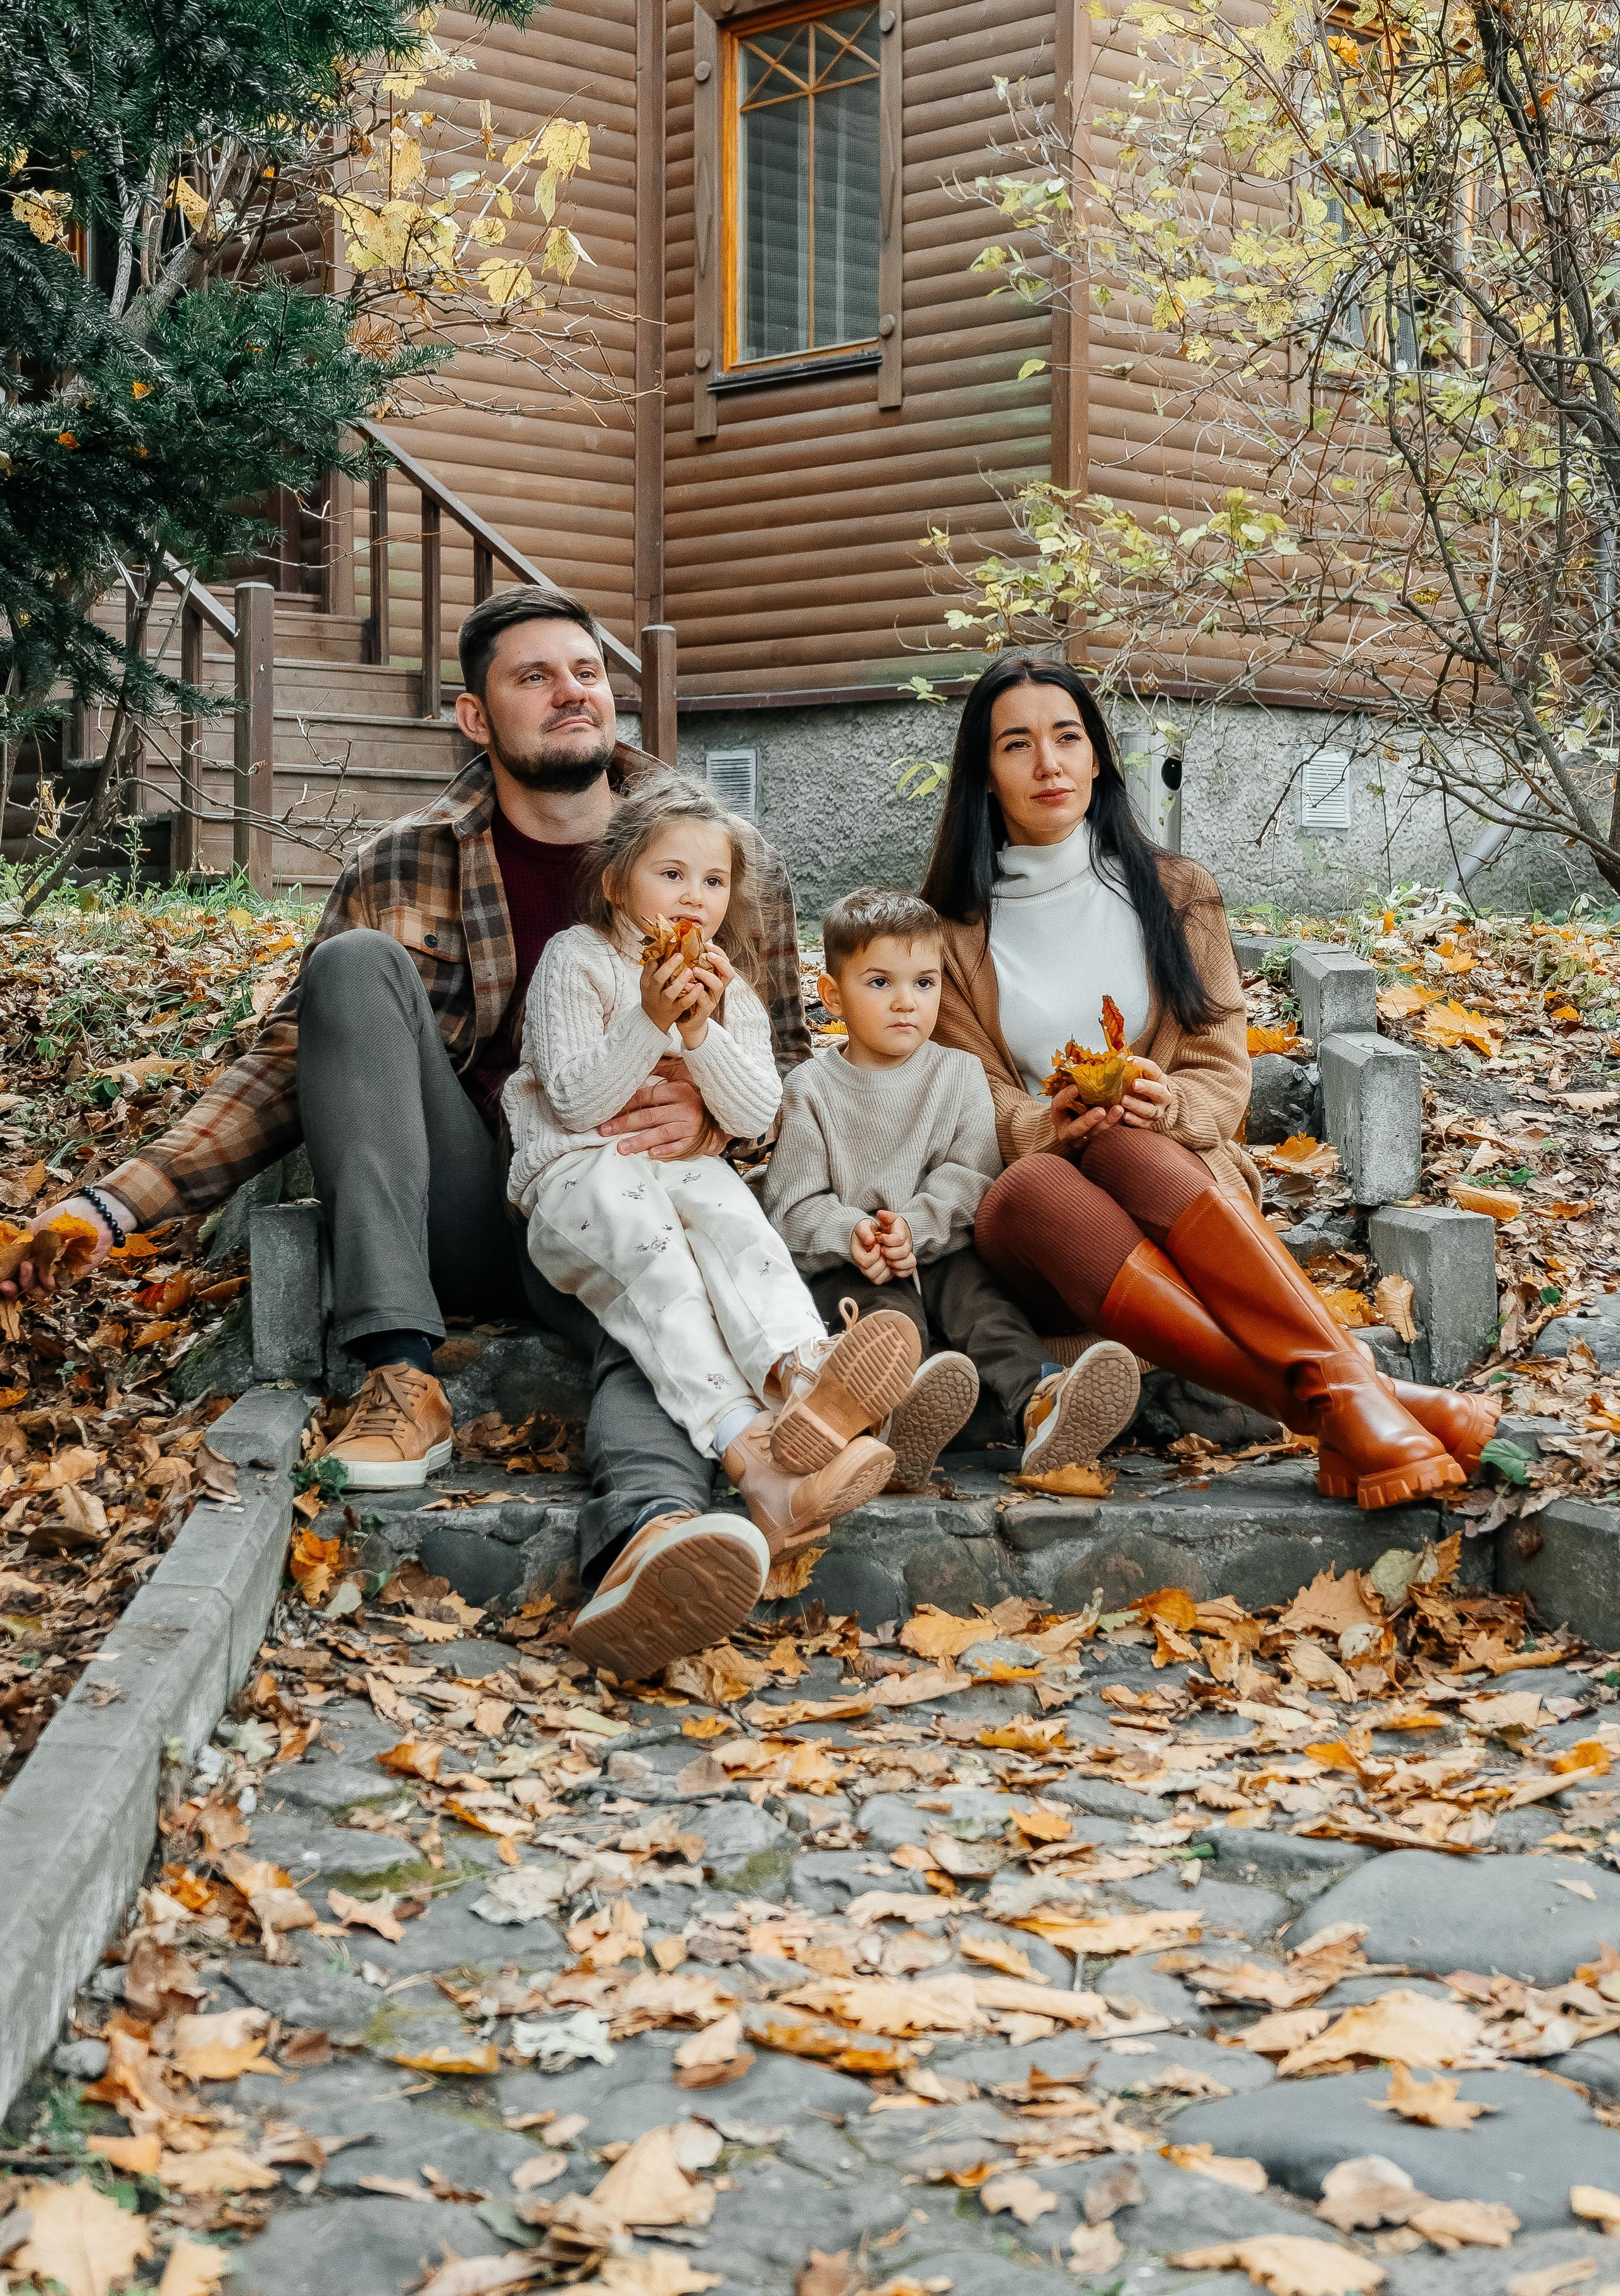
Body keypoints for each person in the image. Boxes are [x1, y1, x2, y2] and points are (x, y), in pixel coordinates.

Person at [13, 584, 825, 1666]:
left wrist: (721, 1131)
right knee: (353, 969)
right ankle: (399, 1368)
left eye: (584, 671)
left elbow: (791, 1061)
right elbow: (289, 1065)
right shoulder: (411, 857)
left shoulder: (719, 854)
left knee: (656, 1292)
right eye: (532, 677)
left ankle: (650, 1537)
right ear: (475, 717)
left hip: (634, 1185)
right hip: (468, 1193)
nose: (570, 693)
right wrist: (116, 1202)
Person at [921, 652, 1501, 1511]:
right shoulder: (948, 933)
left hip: (1172, 1187)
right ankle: (1365, 1394)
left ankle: (1341, 1405)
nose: (1047, 763)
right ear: (986, 772)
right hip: (1039, 1231)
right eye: (1017, 744)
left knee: (1126, 1140)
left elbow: (1224, 1072)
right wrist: (1045, 1125)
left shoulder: (1177, 893)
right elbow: (964, 1093)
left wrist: (1170, 1102)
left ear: (1097, 757)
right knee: (1044, 1180)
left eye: (1067, 737)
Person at [504, 774, 919, 1670]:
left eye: (714, 882)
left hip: (684, 1171)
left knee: (740, 1224)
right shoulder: (576, 961)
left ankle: (806, 1382)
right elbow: (576, 1102)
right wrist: (651, 1019)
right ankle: (751, 1455)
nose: (695, 899)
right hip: (579, 1181)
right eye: (672, 876)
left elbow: (755, 1109)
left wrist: (701, 1033)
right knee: (665, 1275)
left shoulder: (722, 986)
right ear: (619, 885)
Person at [764, 886, 1141, 1486]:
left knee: (985, 1313)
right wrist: (852, 1232)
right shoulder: (811, 1088)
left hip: (941, 1251)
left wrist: (917, 1225)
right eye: (880, 982)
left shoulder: (958, 1073)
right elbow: (791, 1207)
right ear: (832, 995)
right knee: (888, 1328)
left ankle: (1042, 1405)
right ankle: (900, 1415)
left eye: (924, 982)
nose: (906, 1003)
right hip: (849, 1264)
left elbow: (973, 1178)